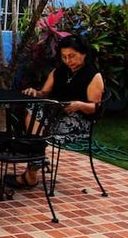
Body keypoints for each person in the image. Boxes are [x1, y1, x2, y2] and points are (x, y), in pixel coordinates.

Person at [7, 33, 105, 189]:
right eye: (64, 57)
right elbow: (44, 94)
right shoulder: (59, 72)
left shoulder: (93, 76)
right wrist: (34, 92)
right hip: (55, 116)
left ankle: (33, 168)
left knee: (38, 126)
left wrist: (80, 105)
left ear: (84, 54)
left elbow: (96, 108)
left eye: (72, 56)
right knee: (33, 108)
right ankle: (35, 161)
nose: (68, 61)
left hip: (78, 122)